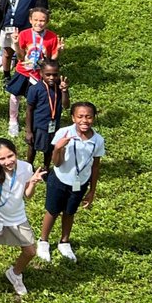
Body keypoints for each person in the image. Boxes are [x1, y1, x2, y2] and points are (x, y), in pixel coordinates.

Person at [0, 138, 45, 296]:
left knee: (30, 251)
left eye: (10, 156)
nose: (7, 161)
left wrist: (32, 183)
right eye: (2, 158)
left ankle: (15, 273)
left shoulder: (26, 167)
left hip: (16, 217)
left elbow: (27, 195)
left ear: (16, 152)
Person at [38, 102, 104, 264]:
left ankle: (64, 242)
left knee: (70, 212)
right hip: (59, 179)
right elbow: (57, 163)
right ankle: (43, 241)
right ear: (73, 117)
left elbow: (95, 166)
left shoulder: (98, 140)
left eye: (88, 117)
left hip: (80, 183)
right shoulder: (64, 132)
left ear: (94, 118)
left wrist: (92, 190)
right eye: (80, 116)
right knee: (52, 211)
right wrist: (58, 149)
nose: (84, 120)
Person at [4, 7, 63, 135]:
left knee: (37, 99)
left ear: (47, 22)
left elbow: (51, 60)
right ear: (30, 20)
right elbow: (20, 57)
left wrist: (58, 51)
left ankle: (33, 122)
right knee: (14, 96)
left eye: (42, 20)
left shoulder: (52, 37)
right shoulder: (24, 34)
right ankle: (13, 121)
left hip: (39, 74)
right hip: (23, 71)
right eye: (35, 19)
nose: (38, 23)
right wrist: (16, 44)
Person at [26, 59, 69, 169]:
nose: (51, 78)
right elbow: (29, 110)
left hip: (54, 126)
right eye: (48, 74)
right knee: (33, 147)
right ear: (41, 73)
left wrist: (64, 91)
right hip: (38, 126)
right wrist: (29, 131)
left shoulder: (59, 87)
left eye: (55, 75)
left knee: (50, 148)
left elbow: (66, 105)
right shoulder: (35, 89)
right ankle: (29, 167)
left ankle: (46, 168)